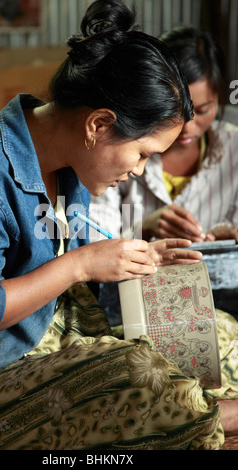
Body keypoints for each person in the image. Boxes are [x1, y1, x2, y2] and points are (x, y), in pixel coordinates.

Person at [0, 1, 230, 450]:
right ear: (98, 125)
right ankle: (213, 412)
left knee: (221, 331)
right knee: (153, 381)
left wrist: (136, 252)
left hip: (63, 329)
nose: (138, 171)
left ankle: (212, 410)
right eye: (142, 154)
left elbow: (57, 247)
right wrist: (80, 265)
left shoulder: (66, 159)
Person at [89, 24, 238, 442]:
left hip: (222, 304)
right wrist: (142, 229)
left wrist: (227, 237)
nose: (189, 125)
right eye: (183, 109)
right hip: (133, 310)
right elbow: (86, 234)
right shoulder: (118, 143)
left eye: (205, 110)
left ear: (222, 101)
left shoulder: (235, 152)